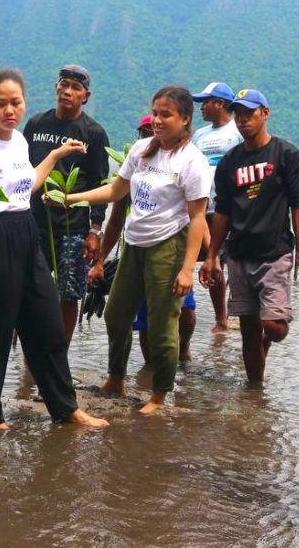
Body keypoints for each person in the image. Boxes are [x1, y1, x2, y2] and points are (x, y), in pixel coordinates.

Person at [0, 68, 107, 430]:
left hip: (25, 230)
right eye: (2, 104)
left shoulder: (20, 142)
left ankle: (65, 407)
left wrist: (54, 157)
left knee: (47, 323)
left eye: (16, 103)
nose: (10, 111)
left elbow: (28, 187)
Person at [64, 86, 210, 414]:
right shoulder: (143, 149)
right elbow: (116, 190)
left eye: (166, 115)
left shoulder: (192, 161)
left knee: (162, 323)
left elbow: (198, 218)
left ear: (185, 119)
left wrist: (188, 268)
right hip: (134, 244)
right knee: (116, 313)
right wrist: (72, 198)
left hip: (167, 247)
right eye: (155, 113)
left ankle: (159, 394)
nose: (157, 120)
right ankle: (116, 377)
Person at [199, 89, 299, 382]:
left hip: (274, 252)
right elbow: (222, 211)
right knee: (249, 332)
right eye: (238, 114)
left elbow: (298, 206)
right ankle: (254, 393)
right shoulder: (230, 162)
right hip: (239, 254)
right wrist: (212, 256)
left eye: (249, 114)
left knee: (273, 326)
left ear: (265, 113)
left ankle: (275, 319)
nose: (242, 120)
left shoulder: (285, 154)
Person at [90, 115, 198, 362]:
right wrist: (99, 262)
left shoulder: (185, 161)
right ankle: (146, 372)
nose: (149, 135)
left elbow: (197, 217)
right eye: (143, 132)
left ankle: (182, 355)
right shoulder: (137, 164)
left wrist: (205, 260)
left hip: (170, 251)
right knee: (136, 317)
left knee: (184, 311)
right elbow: (116, 219)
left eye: (152, 130)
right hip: (136, 250)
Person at [23, 64, 110, 344]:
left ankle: (59, 351)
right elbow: (22, 171)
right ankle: (32, 354)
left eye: (75, 88)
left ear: (85, 95)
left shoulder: (93, 133)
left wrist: (95, 230)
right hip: (34, 224)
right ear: (56, 87)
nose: (67, 91)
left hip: (73, 229)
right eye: (64, 85)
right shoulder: (36, 125)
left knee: (69, 293)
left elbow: (100, 184)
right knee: (31, 289)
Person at [191, 81, 242, 335]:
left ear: (220, 104)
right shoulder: (199, 135)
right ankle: (220, 318)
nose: (201, 107)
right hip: (204, 207)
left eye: (206, 102)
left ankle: (234, 315)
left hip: (230, 208)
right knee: (211, 262)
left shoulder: (237, 131)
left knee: (229, 261)